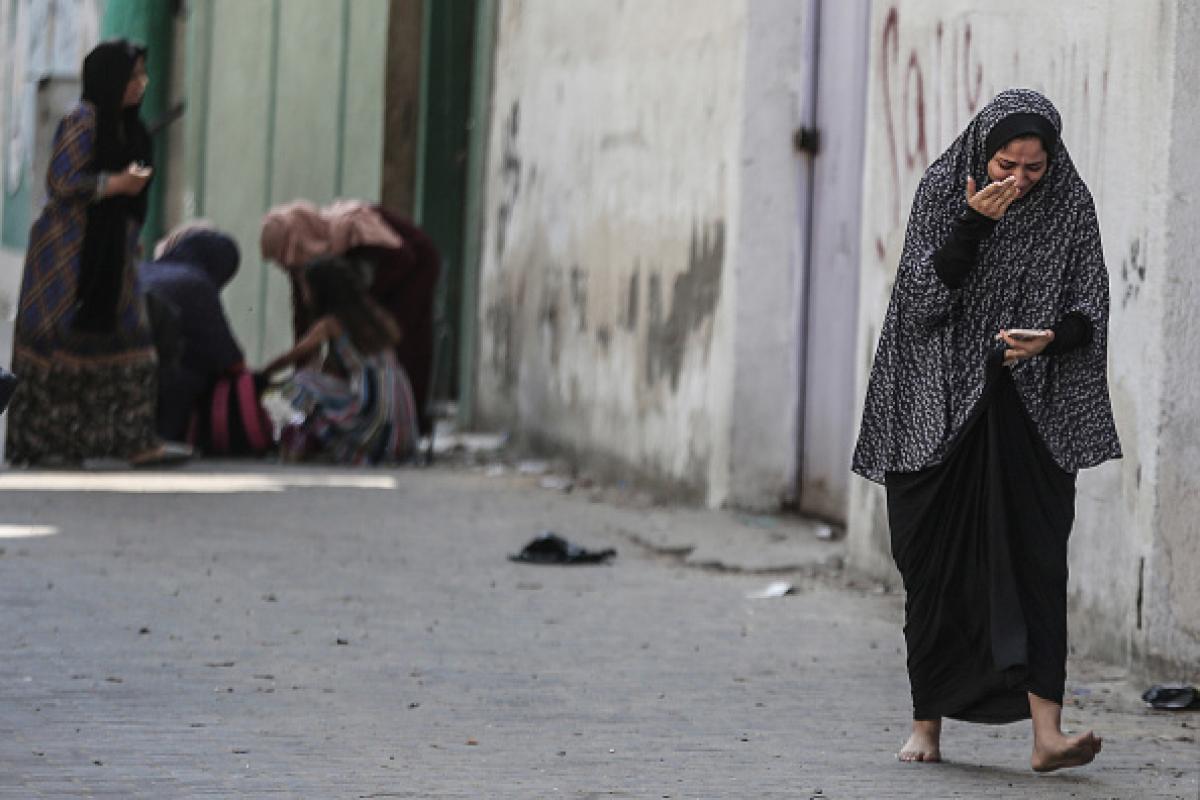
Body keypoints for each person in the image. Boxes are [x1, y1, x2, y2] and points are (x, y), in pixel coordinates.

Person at [852, 89, 1121, 772]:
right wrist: (972, 225)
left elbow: (1090, 306)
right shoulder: (945, 189)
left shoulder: (1068, 204)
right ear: (983, 149)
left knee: (1036, 558)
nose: (1020, 181)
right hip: (935, 406)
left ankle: (1047, 735)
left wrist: (1052, 338)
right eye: (1007, 164)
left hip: (1029, 408)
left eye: (1034, 168)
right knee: (934, 564)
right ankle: (926, 727)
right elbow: (919, 302)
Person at [6, 39, 189, 466]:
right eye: (132, 76)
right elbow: (62, 180)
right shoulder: (82, 120)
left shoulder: (129, 126)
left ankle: (133, 440)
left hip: (115, 255)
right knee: (57, 348)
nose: (140, 85)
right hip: (67, 258)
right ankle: (48, 445)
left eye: (143, 75)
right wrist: (113, 185)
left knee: (131, 344)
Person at [259, 200, 440, 433]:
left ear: (296, 243)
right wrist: (303, 369)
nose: (285, 267)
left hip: (412, 266)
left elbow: (403, 260)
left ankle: (408, 420)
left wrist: (360, 310)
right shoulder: (302, 259)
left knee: (403, 345)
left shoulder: (352, 229)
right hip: (369, 291)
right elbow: (303, 320)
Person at [258, 256, 419, 465]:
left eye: (305, 287)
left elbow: (293, 356)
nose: (303, 293)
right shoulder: (371, 315)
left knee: (301, 382)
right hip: (398, 400)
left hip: (372, 404)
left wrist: (260, 376)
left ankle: (330, 444)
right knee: (317, 382)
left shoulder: (331, 324)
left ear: (320, 290)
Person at [139, 226, 245, 441]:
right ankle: (165, 436)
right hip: (155, 379)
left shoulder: (143, 269)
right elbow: (231, 360)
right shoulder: (196, 283)